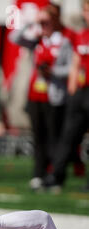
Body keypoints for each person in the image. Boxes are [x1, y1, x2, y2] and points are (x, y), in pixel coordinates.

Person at [10, 4, 73, 191]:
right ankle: (38, 174)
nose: (44, 25)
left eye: (47, 21)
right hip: (35, 95)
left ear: (55, 20)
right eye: (42, 21)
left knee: (55, 137)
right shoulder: (38, 39)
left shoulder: (63, 40)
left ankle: (55, 176)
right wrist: (32, 22)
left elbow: (71, 67)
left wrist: (53, 72)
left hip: (54, 96)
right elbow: (15, 38)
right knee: (38, 137)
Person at [43, 0, 89, 192]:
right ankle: (57, 176)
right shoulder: (82, 35)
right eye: (85, 10)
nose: (86, 14)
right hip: (81, 92)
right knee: (68, 135)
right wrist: (72, 88)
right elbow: (76, 63)